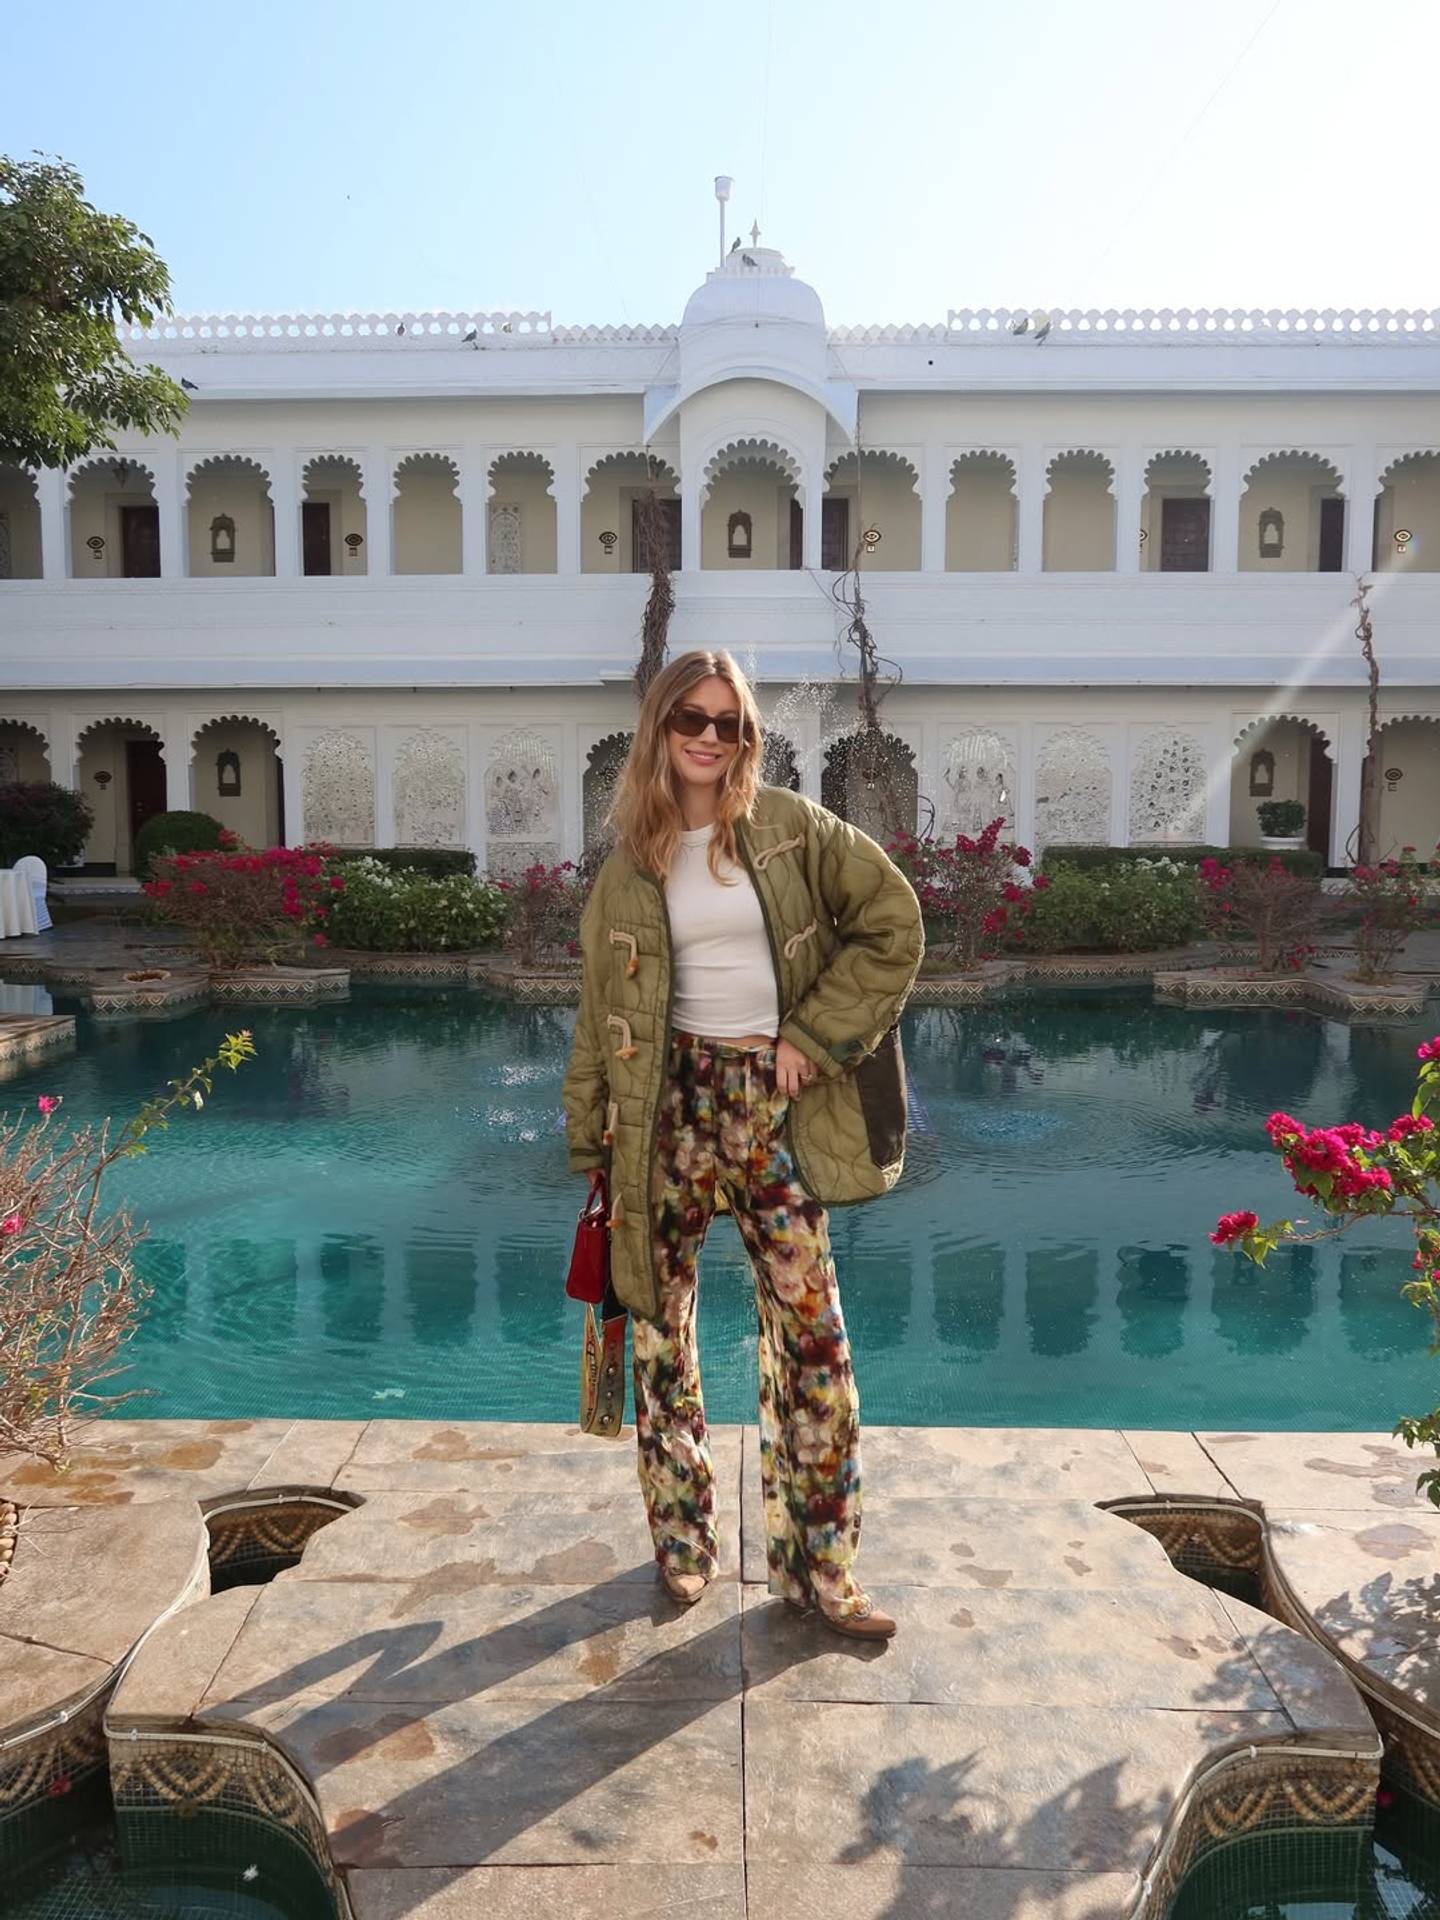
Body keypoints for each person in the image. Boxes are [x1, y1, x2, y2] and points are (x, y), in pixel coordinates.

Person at [562, 649, 923, 1640]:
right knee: (658, 1331)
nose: (710, 738)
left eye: (729, 722)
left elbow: (892, 923)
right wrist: (590, 1138)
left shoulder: (792, 829)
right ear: (661, 728)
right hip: (665, 1109)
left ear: (748, 735)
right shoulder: (629, 866)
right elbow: (597, 1015)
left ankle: (822, 1570)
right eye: (692, 718)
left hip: (773, 1106)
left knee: (814, 1339)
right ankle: (684, 1546)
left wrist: (813, 1035)